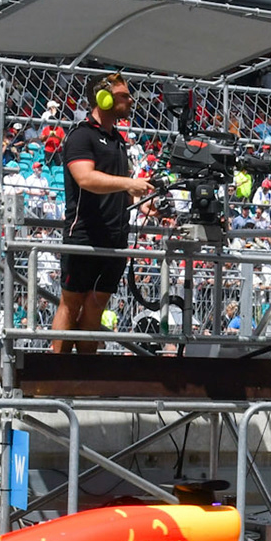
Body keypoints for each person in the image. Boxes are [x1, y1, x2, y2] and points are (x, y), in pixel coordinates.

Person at [54, 73, 153, 353]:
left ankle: (84, 376)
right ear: (103, 98)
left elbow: (122, 184)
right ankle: (55, 374)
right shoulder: (81, 135)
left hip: (115, 236)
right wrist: (129, 183)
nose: (130, 100)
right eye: (124, 96)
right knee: (71, 304)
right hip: (84, 235)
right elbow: (85, 179)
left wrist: (144, 201)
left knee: (96, 306)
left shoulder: (119, 141)